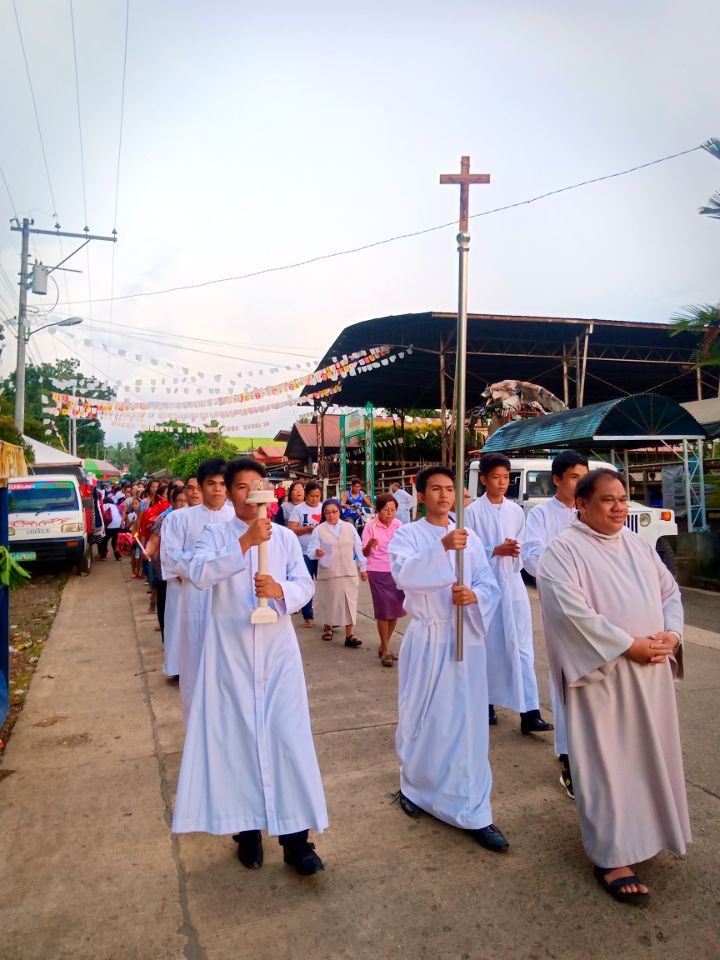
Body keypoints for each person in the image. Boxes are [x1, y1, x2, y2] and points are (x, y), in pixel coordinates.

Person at [536, 469, 690, 904]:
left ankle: (649, 832)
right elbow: (571, 614)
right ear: (581, 505)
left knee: (648, 757)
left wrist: (671, 636)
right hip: (602, 677)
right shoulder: (562, 552)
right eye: (608, 500)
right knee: (608, 763)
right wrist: (628, 645)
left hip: (650, 671)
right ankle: (611, 854)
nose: (620, 507)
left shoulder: (638, 545)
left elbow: (669, 593)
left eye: (623, 498)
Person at [173, 457, 327, 876]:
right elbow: (199, 573)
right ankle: (247, 833)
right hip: (232, 658)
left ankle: (298, 842)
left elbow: (303, 582)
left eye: (259, 484)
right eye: (242, 487)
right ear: (231, 492)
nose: (251, 492)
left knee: (287, 741)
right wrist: (242, 544)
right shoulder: (216, 533)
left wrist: (281, 592)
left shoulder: (284, 538)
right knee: (237, 744)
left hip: (277, 655)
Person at [388, 465, 508, 851]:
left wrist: (473, 597)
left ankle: (473, 808)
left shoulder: (470, 537)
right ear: (421, 495)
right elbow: (404, 576)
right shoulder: (407, 535)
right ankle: (416, 786)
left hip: (465, 636)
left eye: (449, 489)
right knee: (424, 715)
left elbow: (488, 583)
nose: (444, 495)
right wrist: (441, 549)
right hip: (429, 637)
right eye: (435, 489)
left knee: (467, 722)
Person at [465, 453, 553, 735]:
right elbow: (469, 552)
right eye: (496, 478)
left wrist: (517, 552)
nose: (502, 483)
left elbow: (525, 546)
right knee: (489, 646)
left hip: (513, 585)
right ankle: (486, 703)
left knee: (522, 648)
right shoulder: (472, 512)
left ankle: (530, 712)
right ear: (483, 480)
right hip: (487, 587)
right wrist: (494, 550)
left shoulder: (516, 511)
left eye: (506, 478)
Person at [521, 451, 589, 798]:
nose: (582, 483)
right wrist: (566, 574)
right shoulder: (541, 515)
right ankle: (567, 754)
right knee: (566, 677)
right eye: (576, 477)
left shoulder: (590, 513)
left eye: (585, 476)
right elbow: (531, 556)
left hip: (596, 607)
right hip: (561, 607)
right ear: (558, 480)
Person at [160, 461, 234, 715]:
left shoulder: (236, 518)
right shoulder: (179, 519)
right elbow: (170, 557)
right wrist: (201, 568)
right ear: (200, 487)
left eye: (223, 484)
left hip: (228, 596)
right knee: (194, 651)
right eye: (211, 484)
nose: (217, 490)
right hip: (193, 594)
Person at [307, 499, 367, 646]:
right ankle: (328, 627)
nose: (331, 515)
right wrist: (316, 552)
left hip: (348, 570)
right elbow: (310, 551)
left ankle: (350, 634)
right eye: (327, 512)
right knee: (329, 601)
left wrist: (363, 567)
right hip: (329, 571)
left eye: (334, 511)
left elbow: (358, 548)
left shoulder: (349, 527)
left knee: (349, 602)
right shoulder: (319, 530)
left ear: (339, 511)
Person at [361, 493, 405, 666]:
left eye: (393, 510)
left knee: (394, 610)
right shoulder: (370, 526)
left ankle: (384, 645)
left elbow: (404, 546)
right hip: (377, 571)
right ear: (378, 510)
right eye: (386, 509)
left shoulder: (399, 525)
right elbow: (363, 553)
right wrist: (369, 546)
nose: (390, 513)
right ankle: (386, 649)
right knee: (383, 611)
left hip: (395, 570)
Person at [145, 486, 188, 643]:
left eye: (185, 501)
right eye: (179, 501)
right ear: (171, 501)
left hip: (188, 576)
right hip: (166, 573)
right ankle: (168, 641)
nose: (182, 504)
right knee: (167, 612)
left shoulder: (193, 517)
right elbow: (153, 541)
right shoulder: (165, 518)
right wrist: (148, 551)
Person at [288, 481, 322, 628]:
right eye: (312, 496)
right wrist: (307, 530)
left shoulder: (324, 508)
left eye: (317, 496)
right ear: (306, 495)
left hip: (322, 551)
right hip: (303, 552)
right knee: (307, 582)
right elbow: (291, 529)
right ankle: (308, 615)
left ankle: (326, 615)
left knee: (324, 583)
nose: (314, 499)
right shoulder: (298, 509)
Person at [98, 493, 123, 560]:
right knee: (115, 541)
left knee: (103, 541)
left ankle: (103, 556)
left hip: (109, 526)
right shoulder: (116, 506)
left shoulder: (103, 505)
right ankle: (118, 557)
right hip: (118, 525)